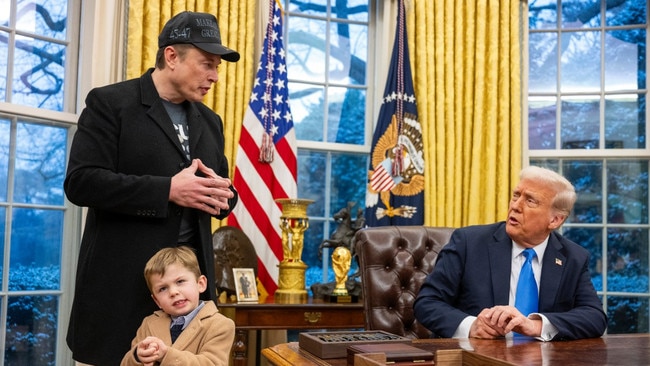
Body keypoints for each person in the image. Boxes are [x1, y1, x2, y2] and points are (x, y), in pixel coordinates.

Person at [64, 11, 240, 365]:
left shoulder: (210, 121)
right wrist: (167, 191)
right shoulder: (110, 103)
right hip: (120, 289)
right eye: (207, 64)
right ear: (172, 56)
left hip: (189, 298)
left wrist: (225, 196)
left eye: (217, 67)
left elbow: (216, 191)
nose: (215, 77)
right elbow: (81, 182)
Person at [414, 166, 607, 341]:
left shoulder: (573, 257)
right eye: (516, 195)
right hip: (476, 359)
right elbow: (427, 303)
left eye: (530, 201)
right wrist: (471, 326)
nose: (515, 206)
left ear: (555, 220)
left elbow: (594, 317)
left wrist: (536, 326)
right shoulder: (469, 243)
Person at [121, 246, 235, 366]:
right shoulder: (149, 323)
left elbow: (212, 363)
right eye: (163, 288)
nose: (173, 292)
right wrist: (137, 356)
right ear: (157, 301)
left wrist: (166, 355)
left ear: (200, 284)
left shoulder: (220, 325)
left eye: (180, 282)